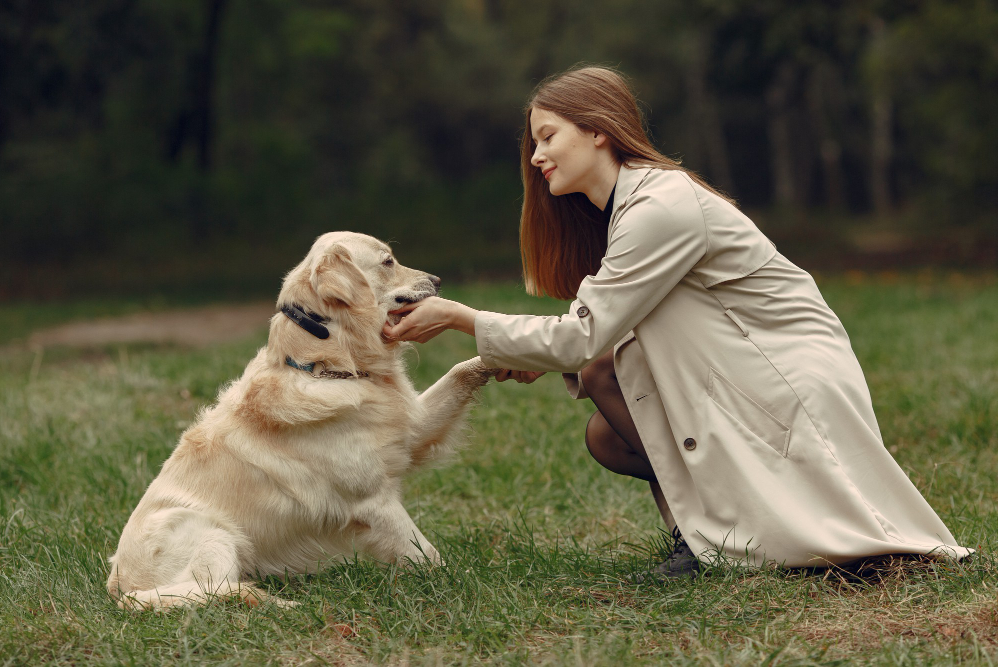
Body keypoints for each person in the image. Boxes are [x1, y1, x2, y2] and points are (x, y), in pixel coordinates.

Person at [382, 66, 970, 578]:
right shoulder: (626, 211)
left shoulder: (660, 208)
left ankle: (705, 540)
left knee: (599, 370)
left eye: (547, 136)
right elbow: (603, 330)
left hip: (785, 379)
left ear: (597, 130)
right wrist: (552, 354)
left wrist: (462, 318)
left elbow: (582, 336)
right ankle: (701, 534)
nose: (535, 157)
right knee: (605, 431)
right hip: (737, 370)